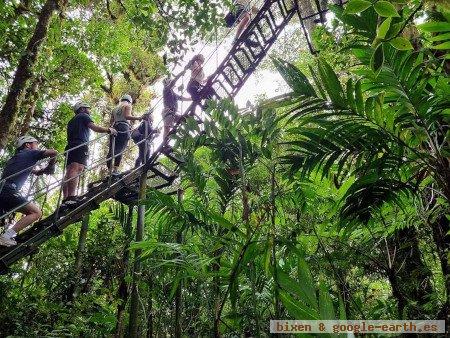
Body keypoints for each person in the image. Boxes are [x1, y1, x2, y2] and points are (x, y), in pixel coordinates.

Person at [0, 136, 57, 246]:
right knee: (36, 212)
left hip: (2, 189)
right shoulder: (30, 153)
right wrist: (51, 165)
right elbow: (54, 152)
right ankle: (6, 237)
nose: (37, 146)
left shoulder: (16, 158)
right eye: (35, 143)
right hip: (10, 190)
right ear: (27, 145)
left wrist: (43, 171)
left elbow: (34, 172)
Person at [62, 102, 117, 205]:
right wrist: (108, 130)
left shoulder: (71, 121)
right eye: (88, 108)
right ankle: (71, 197)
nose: (89, 110)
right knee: (76, 168)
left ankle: (65, 199)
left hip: (70, 146)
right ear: (82, 109)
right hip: (80, 145)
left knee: (69, 171)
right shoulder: (84, 116)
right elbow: (94, 127)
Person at [106, 94, 142, 175]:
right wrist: (139, 118)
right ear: (130, 101)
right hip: (124, 128)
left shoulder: (114, 109)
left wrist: (111, 129)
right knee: (120, 150)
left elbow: (111, 121)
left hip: (115, 128)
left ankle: (109, 171)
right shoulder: (128, 106)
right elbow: (127, 116)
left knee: (111, 150)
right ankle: (115, 170)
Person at [162, 71, 191, 139]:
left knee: (184, 119)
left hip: (173, 113)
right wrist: (180, 74)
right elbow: (172, 83)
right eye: (169, 82)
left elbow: (182, 98)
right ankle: (165, 143)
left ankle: (192, 122)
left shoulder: (173, 93)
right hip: (168, 111)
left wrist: (192, 99)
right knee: (167, 128)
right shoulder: (166, 89)